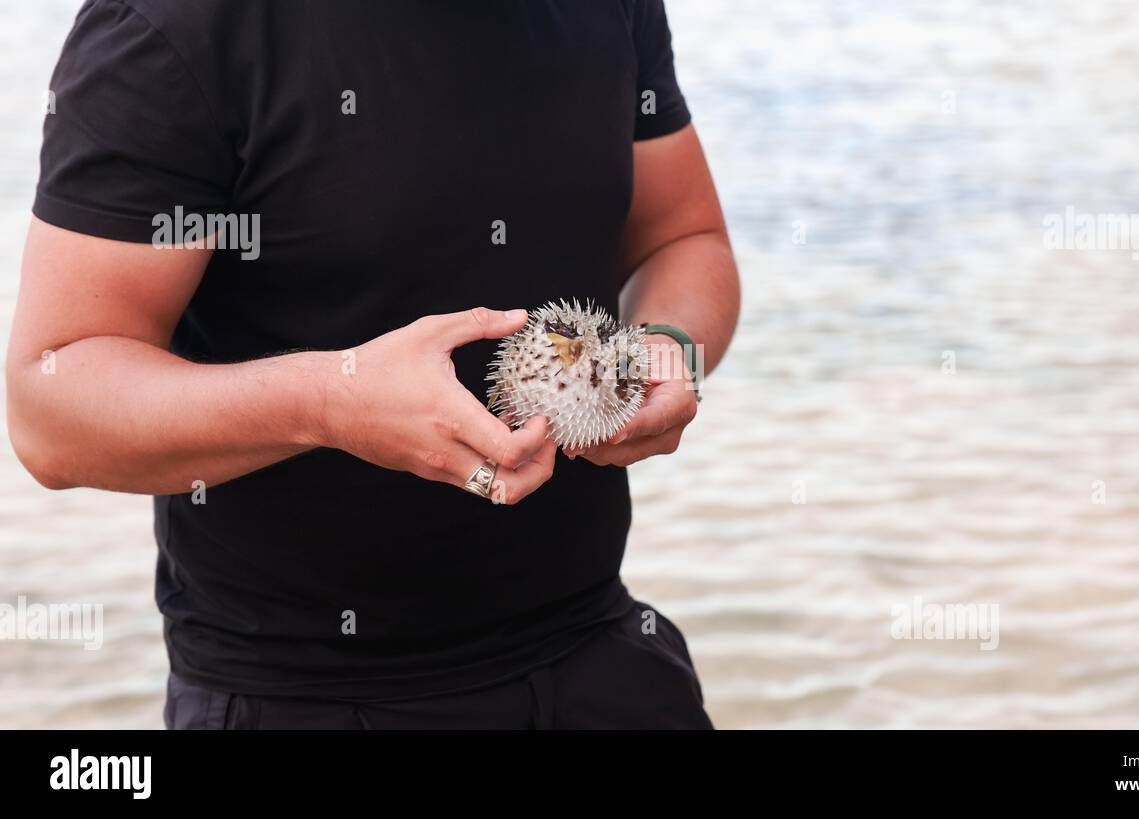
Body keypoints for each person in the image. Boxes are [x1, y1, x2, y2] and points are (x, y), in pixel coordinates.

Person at [6, 0, 739, 729]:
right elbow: (50, 408)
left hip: (602, 650)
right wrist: (329, 401)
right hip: (299, 694)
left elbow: (686, 235)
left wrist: (669, 350)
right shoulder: (176, 24)